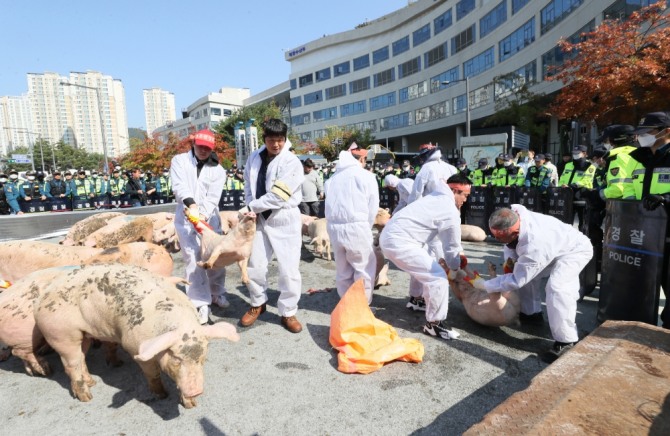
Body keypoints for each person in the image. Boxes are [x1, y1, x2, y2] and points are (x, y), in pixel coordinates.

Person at [467, 206, 593, 363]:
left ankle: (567, 340)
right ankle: (532, 313)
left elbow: (518, 279)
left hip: (573, 250)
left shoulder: (534, 244)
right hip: (552, 246)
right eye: (496, 237)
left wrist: (485, 285)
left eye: (503, 238)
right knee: (524, 270)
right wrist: (509, 260)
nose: (500, 242)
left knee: (557, 287)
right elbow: (509, 247)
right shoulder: (513, 215)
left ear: (515, 232)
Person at [239, 119, 305, 333]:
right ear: (264, 138)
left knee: (288, 268)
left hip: (284, 218)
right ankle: (258, 303)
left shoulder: (292, 162)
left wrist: (251, 206)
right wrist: (251, 208)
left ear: (285, 139)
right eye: (271, 140)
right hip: (258, 218)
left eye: (279, 140)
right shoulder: (254, 157)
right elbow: (248, 185)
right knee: (255, 266)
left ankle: (288, 311)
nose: (275, 144)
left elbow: (278, 196)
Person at [380, 179, 467, 340]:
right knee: (437, 277)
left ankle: (416, 300)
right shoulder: (449, 210)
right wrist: (454, 267)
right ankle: (434, 325)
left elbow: (438, 242)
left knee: (425, 266)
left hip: (393, 236)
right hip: (400, 241)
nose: (465, 200)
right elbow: (452, 246)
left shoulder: (434, 198)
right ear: (455, 190)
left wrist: (444, 260)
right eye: (465, 195)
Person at [171, 128, 229, 325]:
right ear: (193, 144)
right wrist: (191, 206)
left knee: (215, 258)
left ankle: (217, 292)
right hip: (186, 218)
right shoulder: (180, 161)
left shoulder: (218, 170)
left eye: (207, 148)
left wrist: (202, 217)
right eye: (200, 146)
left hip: (209, 220)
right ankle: (200, 302)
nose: (203, 150)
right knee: (193, 260)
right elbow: (179, 186)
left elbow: (213, 197)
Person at [622, 111, 670, 328]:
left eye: (647, 132)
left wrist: (665, 199)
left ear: (666, 131)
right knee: (640, 286)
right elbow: (629, 189)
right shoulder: (637, 158)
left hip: (667, 232)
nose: (641, 137)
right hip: (643, 233)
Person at [325, 143, 379, 303]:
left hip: (334, 228)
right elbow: (372, 208)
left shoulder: (331, 180)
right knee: (363, 269)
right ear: (361, 158)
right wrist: (366, 227)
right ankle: (361, 307)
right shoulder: (366, 176)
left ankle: (346, 305)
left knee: (343, 271)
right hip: (357, 227)